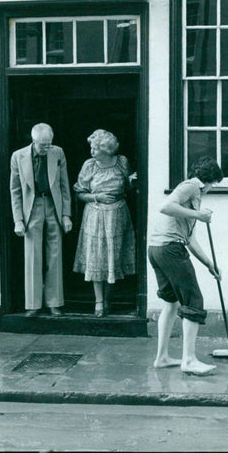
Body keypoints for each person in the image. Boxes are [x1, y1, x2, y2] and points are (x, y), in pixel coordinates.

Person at [149, 156, 223, 376]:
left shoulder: (193, 195)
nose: (210, 189)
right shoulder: (191, 186)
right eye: (213, 185)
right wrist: (198, 214)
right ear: (208, 181)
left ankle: (162, 358)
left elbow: (190, 240)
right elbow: (165, 206)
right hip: (170, 249)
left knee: (171, 303)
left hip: (158, 248)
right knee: (193, 300)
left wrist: (210, 264)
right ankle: (189, 360)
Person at [10, 123, 73, 316]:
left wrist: (66, 215)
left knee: (55, 254)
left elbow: (64, 185)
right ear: (34, 141)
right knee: (32, 255)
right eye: (43, 145)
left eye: (49, 144)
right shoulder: (18, 156)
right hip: (32, 206)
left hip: (53, 205)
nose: (47, 148)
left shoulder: (58, 153)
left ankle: (54, 302)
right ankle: (33, 304)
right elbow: (15, 191)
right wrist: (18, 219)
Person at [73, 129, 137, 317]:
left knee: (113, 257)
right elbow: (79, 192)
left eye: (95, 149)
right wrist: (97, 197)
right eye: (91, 148)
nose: (92, 152)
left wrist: (133, 182)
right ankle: (99, 302)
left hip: (117, 215)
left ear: (107, 150)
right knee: (97, 257)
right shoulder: (89, 166)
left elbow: (128, 184)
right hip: (95, 214)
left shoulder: (122, 162)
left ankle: (109, 299)